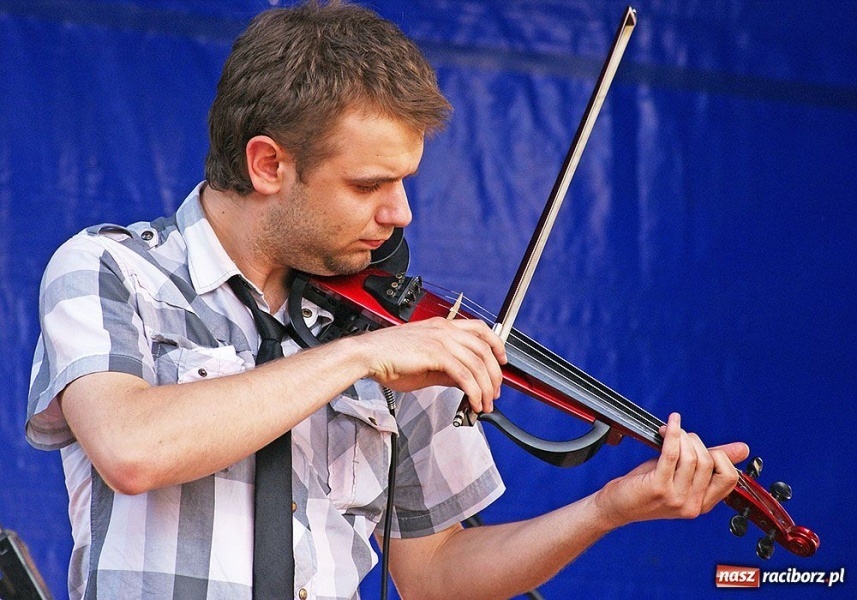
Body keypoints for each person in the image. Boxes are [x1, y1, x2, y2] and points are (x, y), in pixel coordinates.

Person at [26, 2, 749, 599]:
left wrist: (605, 510)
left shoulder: (396, 326)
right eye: (369, 185)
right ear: (269, 163)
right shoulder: (112, 269)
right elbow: (133, 448)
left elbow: (433, 573)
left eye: (404, 182)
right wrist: (361, 356)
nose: (400, 213)